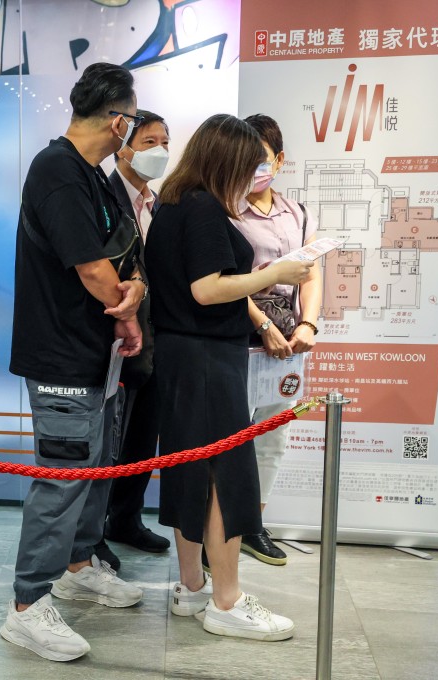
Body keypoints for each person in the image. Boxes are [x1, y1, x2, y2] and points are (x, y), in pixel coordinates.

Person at [145, 113, 311, 641]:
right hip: (207, 358)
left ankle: (193, 588)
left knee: (191, 471)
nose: (254, 176)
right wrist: (275, 274)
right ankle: (227, 600)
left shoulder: (174, 204)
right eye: (248, 165)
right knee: (224, 476)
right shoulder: (202, 209)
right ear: (227, 163)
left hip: (181, 356)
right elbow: (207, 289)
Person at [1, 62, 147, 662]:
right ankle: (27, 605)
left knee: (94, 468)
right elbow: (91, 268)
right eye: (133, 122)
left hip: (100, 353)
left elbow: (125, 253)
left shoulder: (102, 176)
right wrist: (126, 303)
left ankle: (77, 565)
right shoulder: (57, 169)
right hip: (61, 354)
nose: (132, 132)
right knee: (61, 479)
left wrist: (132, 295)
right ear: (118, 120)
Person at [233, 113, 322, 566]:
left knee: (273, 439)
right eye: (244, 158)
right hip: (241, 342)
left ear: (279, 160)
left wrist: (308, 325)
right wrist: (262, 326)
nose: (253, 168)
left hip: (289, 347)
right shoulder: (225, 209)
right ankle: (226, 532)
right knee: (232, 441)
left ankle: (254, 526)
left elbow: (311, 272)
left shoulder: (297, 212)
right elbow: (225, 280)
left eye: (262, 159)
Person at [96, 108, 172, 568]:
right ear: (123, 145)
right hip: (115, 338)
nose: (159, 151)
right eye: (148, 142)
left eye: (164, 141)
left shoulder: (159, 202)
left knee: (144, 438)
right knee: (109, 441)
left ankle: (125, 517)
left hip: (156, 340)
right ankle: (93, 529)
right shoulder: (103, 196)